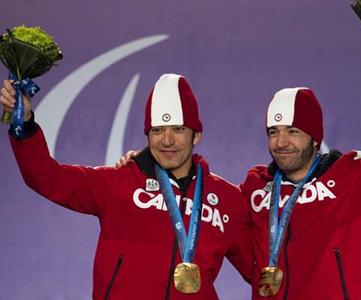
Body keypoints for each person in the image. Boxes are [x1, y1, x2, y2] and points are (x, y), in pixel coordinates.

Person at [1, 74, 253, 299]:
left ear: (196, 135)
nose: (167, 140)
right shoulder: (116, 183)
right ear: (147, 135)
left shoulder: (228, 200)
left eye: (178, 129)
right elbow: (46, 176)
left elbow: (263, 269)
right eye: (157, 130)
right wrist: (25, 124)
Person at [240, 45, 361, 299]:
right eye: (273, 132)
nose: (281, 142)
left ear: (315, 139)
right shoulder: (255, 189)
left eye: (293, 131)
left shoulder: (352, 178)